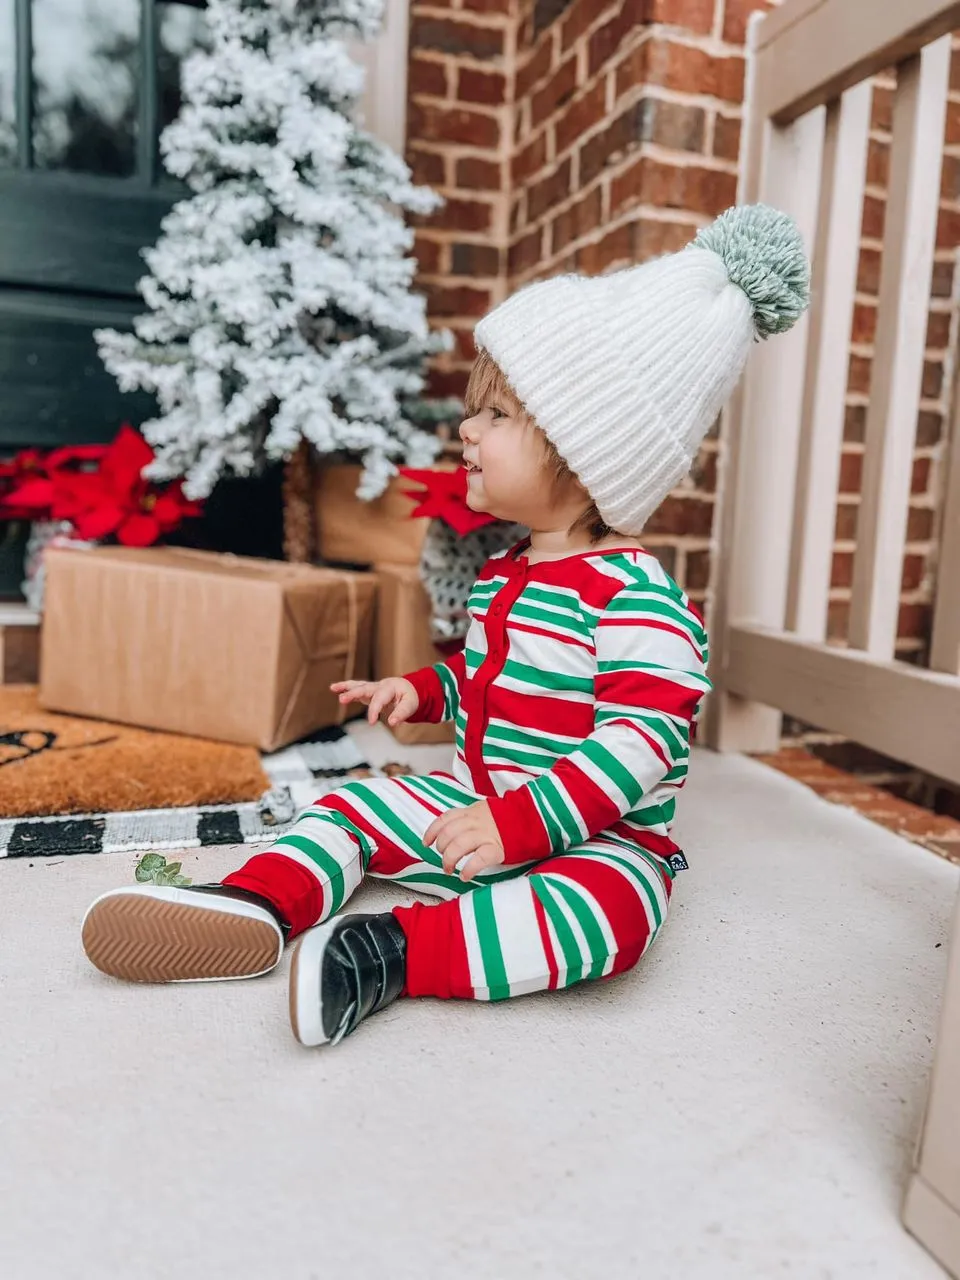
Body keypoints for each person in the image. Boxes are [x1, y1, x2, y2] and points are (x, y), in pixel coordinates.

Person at [81, 204, 809, 1048]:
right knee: (352, 805)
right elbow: (483, 681)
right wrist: (420, 690)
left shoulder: (639, 600)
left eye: (497, 416)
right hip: (474, 801)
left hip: (594, 837)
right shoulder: (508, 576)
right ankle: (257, 905)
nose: (466, 428)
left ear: (586, 452)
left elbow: (642, 745)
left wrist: (523, 826)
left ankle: (388, 953)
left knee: (611, 914)